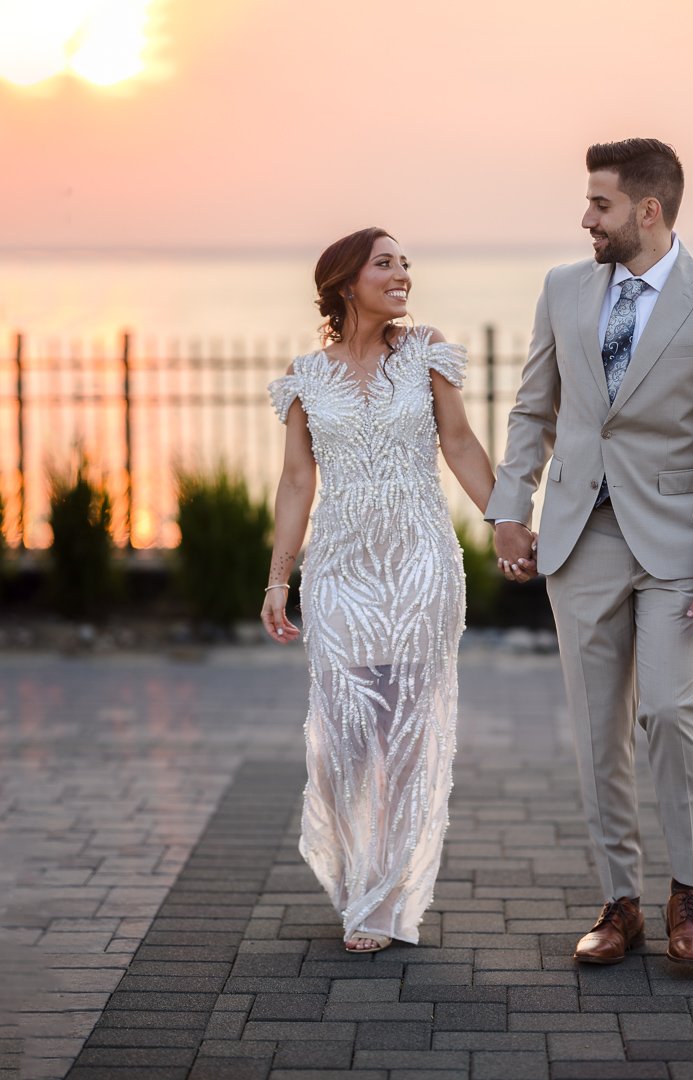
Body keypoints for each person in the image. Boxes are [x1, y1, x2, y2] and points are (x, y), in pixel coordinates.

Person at [487, 139, 693, 965]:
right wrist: (511, 505)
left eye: (600, 204)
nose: (586, 218)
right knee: (596, 726)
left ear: (648, 210)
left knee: (671, 713)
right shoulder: (563, 288)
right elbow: (533, 405)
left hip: (678, 543)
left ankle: (686, 894)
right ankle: (619, 903)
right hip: (580, 538)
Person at [262, 227, 495, 953]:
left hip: (420, 560)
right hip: (338, 569)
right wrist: (279, 577)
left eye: (405, 265)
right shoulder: (305, 374)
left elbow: (458, 444)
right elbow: (298, 479)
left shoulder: (427, 354)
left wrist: (510, 524)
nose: (401, 275)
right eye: (385, 264)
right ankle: (361, 865)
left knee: (402, 734)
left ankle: (382, 891)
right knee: (342, 742)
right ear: (344, 281)